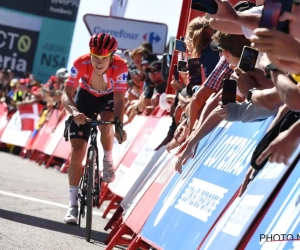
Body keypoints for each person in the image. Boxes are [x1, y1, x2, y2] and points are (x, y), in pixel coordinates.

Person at [61, 33, 128, 224]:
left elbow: (119, 99)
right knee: (77, 152)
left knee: (106, 122)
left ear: (112, 57)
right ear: (90, 54)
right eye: (95, 57)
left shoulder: (121, 66)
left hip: (107, 99)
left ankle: (107, 159)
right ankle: (72, 205)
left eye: (103, 59)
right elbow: (66, 94)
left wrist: (119, 125)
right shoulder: (80, 63)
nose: (98, 63)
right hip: (85, 98)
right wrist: (74, 112)